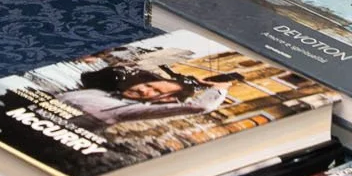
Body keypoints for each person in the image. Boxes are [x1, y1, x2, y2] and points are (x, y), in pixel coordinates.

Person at [54, 64, 230, 125]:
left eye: (155, 91)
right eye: (148, 85)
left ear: (167, 99)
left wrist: (219, 87)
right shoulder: (103, 91)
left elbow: (201, 106)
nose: (143, 89)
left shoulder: (130, 110)